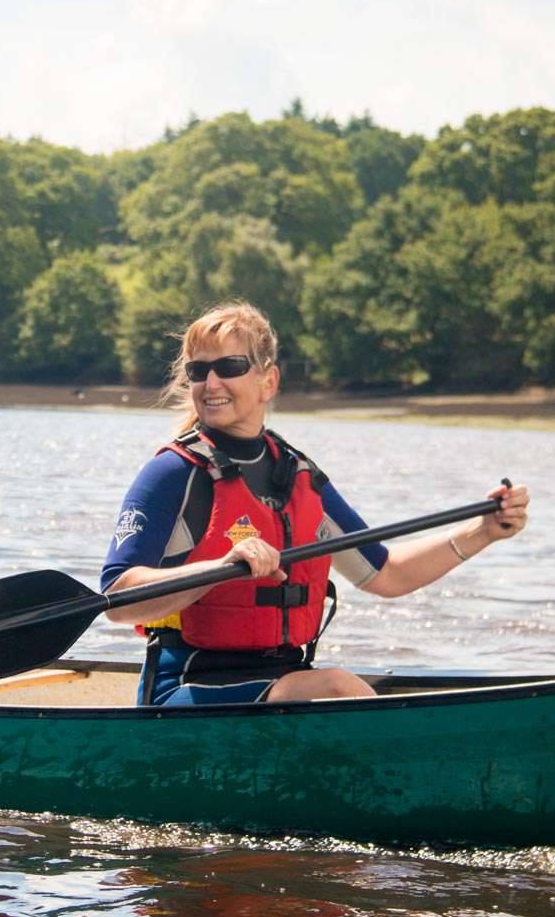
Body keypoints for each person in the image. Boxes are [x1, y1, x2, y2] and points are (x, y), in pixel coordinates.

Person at [102, 301, 530, 706]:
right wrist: (218, 570)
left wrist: (484, 532)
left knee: (334, 686)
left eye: (229, 367)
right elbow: (118, 599)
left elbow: (386, 574)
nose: (211, 383)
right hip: (187, 687)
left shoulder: (298, 476)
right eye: (199, 371)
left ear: (268, 381)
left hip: (283, 681)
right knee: (337, 686)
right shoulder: (173, 474)